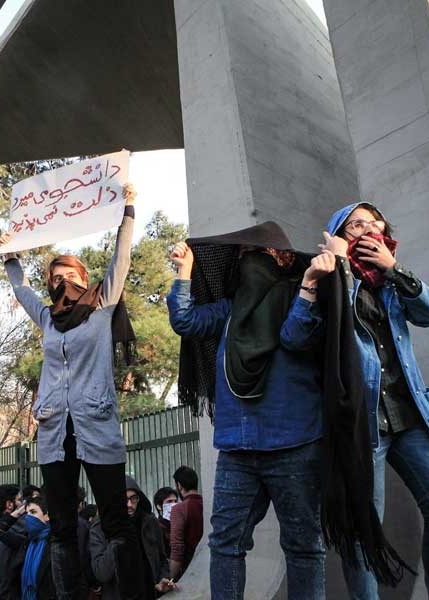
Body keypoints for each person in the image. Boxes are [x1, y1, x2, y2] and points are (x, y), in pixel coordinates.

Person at [288, 203, 429, 599]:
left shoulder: (390, 279)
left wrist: (394, 269)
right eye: (358, 224)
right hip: (360, 425)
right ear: (340, 235)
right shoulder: (332, 281)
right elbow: (295, 339)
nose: (370, 228)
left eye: (375, 221)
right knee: (362, 531)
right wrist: (315, 280)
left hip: (411, 417)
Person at [0, 183, 142, 600]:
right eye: (54, 279)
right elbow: (21, 289)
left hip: (95, 422)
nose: (61, 283)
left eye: (68, 276)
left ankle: (131, 593)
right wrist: (11, 258)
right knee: (60, 525)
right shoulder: (45, 318)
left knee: (115, 520)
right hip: (54, 431)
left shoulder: (102, 306)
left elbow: (121, 258)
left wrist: (127, 209)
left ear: (83, 277)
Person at [167, 223, 326, 599]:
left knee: (303, 546)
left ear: (281, 258)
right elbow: (185, 321)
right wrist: (185, 272)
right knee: (225, 543)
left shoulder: (301, 297)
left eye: (257, 255)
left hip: (294, 443)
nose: (247, 263)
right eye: (241, 258)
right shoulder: (229, 308)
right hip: (237, 449)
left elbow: (296, 336)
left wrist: (307, 288)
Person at [90, 476, 174, 599]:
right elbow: (101, 573)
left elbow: (161, 559)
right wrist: (117, 537)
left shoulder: (149, 522)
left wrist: (163, 579)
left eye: (133, 498)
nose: (129, 505)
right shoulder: (99, 528)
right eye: (124, 499)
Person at [17, 496, 55, 600]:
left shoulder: (55, 544)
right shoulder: (28, 541)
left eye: (33, 512)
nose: (28, 517)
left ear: (47, 515)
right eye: (27, 513)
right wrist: (18, 512)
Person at [169, 465, 202, 580]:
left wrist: (170, 579)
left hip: (189, 572)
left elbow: (177, 548)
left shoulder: (179, 509)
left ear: (179, 485)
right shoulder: (208, 504)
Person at [152, 487, 178, 558]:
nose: (174, 504)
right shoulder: (156, 528)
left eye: (175, 501)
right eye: (169, 502)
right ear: (159, 506)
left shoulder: (179, 525)